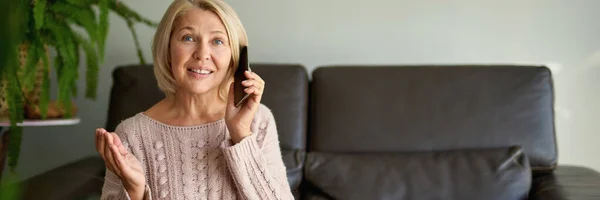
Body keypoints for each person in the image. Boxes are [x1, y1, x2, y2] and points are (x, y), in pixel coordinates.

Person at [94, 0, 294, 199]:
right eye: (188, 38)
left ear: (235, 56)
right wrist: (134, 189)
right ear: (168, 49)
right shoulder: (131, 135)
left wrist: (240, 133)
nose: (202, 54)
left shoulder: (258, 120)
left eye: (217, 41)